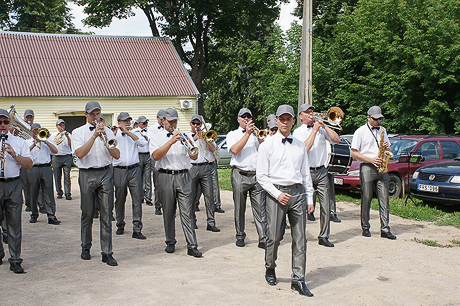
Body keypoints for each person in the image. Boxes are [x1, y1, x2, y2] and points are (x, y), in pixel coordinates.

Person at [257, 105, 314, 297]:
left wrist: (310, 197)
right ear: (276, 121)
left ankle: (298, 279)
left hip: (297, 194)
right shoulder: (267, 145)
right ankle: (270, 266)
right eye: (281, 119)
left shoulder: (299, 145)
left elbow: (306, 173)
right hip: (277, 194)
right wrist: (277, 194)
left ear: (292, 121)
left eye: (288, 119)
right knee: (273, 236)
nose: (284, 122)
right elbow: (261, 176)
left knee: (300, 238)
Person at [72, 101, 120, 266]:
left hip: (106, 172)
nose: (95, 117)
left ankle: (107, 252)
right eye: (92, 114)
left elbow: (117, 155)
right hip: (87, 173)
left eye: (98, 113)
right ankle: (86, 246)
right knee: (87, 213)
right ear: (86, 115)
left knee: (107, 213)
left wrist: (106, 139)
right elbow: (80, 154)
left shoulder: (107, 131)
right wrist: (94, 136)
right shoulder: (78, 132)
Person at [150, 108, 202, 257]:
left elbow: (194, 156)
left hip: (184, 175)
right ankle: (170, 241)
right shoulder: (156, 137)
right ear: (163, 121)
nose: (173, 124)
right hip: (165, 176)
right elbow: (156, 156)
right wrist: (171, 141)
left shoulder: (184, 135)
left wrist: (190, 144)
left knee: (187, 211)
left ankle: (192, 245)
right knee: (168, 211)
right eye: (170, 121)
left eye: (175, 121)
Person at [293, 104, 340, 248]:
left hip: (321, 171)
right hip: (305, 171)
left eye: (312, 111)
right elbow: (305, 148)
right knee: (301, 206)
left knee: (326, 204)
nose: (311, 114)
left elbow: (336, 139)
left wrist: (324, 127)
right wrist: (314, 130)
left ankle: (324, 236)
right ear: (301, 116)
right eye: (307, 112)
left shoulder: (321, 129)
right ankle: (301, 236)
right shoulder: (298, 132)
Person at [350, 106, 396, 239]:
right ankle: (365, 227)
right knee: (367, 197)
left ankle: (385, 229)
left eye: (380, 119)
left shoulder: (382, 130)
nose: (378, 121)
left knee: (384, 199)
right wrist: (370, 159)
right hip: (367, 166)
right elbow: (354, 152)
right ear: (368, 117)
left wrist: (387, 147)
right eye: (376, 119)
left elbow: (388, 146)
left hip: (382, 166)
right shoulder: (360, 131)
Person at [227, 108, 267, 248]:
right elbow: (235, 150)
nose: (246, 119)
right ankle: (240, 236)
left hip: (256, 175)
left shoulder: (257, 134)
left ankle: (263, 237)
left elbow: (266, 149)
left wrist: (259, 137)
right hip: (239, 174)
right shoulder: (233, 134)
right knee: (240, 207)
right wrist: (248, 134)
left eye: (248, 116)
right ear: (238, 119)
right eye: (243, 117)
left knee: (260, 208)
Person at [0, 109, 33, 273]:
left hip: (13, 184)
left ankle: (15, 259)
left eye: (5, 122)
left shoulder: (19, 142)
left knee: (14, 224)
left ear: (10, 124)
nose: (2, 126)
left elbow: (29, 164)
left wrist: (14, 155)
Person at [113, 112, 148, 239]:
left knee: (137, 198)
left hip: (134, 169)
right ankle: (120, 224)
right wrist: (117, 132)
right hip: (119, 169)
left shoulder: (135, 133)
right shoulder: (114, 134)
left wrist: (128, 132)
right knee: (120, 198)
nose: (127, 123)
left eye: (128, 120)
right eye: (124, 121)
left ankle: (137, 228)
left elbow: (143, 144)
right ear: (119, 122)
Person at [188, 115, 220, 232]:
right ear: (190, 124)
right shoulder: (187, 136)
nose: (196, 126)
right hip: (192, 167)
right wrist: (195, 138)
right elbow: (186, 149)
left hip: (206, 167)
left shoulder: (207, 135)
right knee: (191, 196)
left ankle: (211, 222)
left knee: (209, 195)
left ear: (201, 125)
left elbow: (214, 150)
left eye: (198, 124)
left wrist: (206, 140)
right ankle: (192, 221)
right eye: (194, 124)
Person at [26, 123, 61, 225]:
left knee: (48, 191)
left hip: (46, 167)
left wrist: (45, 141)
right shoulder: (27, 142)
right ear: (31, 132)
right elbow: (24, 153)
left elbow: (55, 151)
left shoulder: (47, 140)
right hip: (33, 168)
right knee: (33, 192)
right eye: (34, 131)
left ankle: (51, 215)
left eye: (37, 131)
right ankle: (34, 214)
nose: (35, 133)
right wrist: (34, 143)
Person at [147, 109, 166, 216]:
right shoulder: (152, 128)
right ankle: (158, 206)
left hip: (167, 157)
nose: (163, 121)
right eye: (162, 118)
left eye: (165, 119)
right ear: (157, 118)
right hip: (156, 157)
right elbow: (150, 140)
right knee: (158, 184)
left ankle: (167, 205)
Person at [50, 119, 72, 200]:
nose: (62, 127)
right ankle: (59, 192)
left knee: (67, 176)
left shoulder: (68, 134)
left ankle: (68, 193)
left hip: (66, 156)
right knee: (57, 176)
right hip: (56, 157)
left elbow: (71, 145)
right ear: (57, 126)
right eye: (60, 125)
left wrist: (68, 137)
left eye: (63, 125)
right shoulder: (53, 136)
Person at [134, 116, 153, 206]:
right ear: (138, 124)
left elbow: (150, 140)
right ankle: (140, 196)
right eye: (143, 123)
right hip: (139, 155)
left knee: (147, 177)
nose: (145, 125)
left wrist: (142, 135)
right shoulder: (134, 132)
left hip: (148, 154)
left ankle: (148, 198)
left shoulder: (149, 131)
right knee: (139, 177)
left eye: (146, 123)